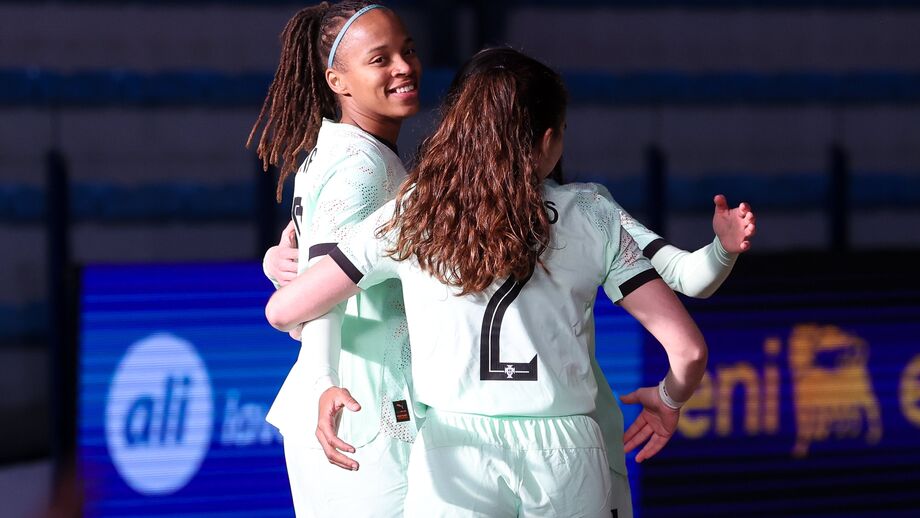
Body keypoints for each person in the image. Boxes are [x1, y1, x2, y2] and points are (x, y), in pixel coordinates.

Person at [264, 49, 757, 517]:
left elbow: (284, 310)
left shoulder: (414, 213)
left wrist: (278, 262)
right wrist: (669, 400)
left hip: (455, 450)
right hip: (568, 451)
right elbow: (689, 350)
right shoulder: (592, 213)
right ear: (547, 140)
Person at [247, 2, 421, 516]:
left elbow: (312, 262)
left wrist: (277, 261)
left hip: (349, 402)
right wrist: (325, 380)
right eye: (380, 59)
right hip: (358, 409)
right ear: (337, 81)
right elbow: (325, 292)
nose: (403, 67)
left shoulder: (338, 151)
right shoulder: (361, 167)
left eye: (407, 51)